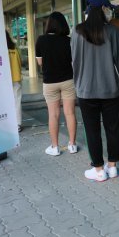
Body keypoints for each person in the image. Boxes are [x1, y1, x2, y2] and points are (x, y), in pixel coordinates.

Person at [72, 0, 119, 182]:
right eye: (108, 8)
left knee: (92, 130)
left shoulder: (77, 31)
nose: (110, 11)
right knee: (113, 128)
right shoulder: (112, 31)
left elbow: (75, 61)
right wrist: (118, 80)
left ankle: (98, 170)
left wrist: (79, 83)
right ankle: (112, 167)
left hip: (86, 91)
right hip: (110, 89)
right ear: (103, 9)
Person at [35, 12, 78, 156]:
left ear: (49, 24)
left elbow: (40, 62)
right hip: (68, 81)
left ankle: (55, 147)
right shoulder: (69, 41)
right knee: (70, 113)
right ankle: (72, 145)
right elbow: (73, 62)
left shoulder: (41, 40)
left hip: (50, 82)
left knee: (53, 114)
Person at [6, 31, 23, 132]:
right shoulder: (14, 49)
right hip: (16, 78)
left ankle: (7, 122)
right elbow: (20, 62)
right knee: (17, 101)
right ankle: (17, 124)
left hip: (4, 80)